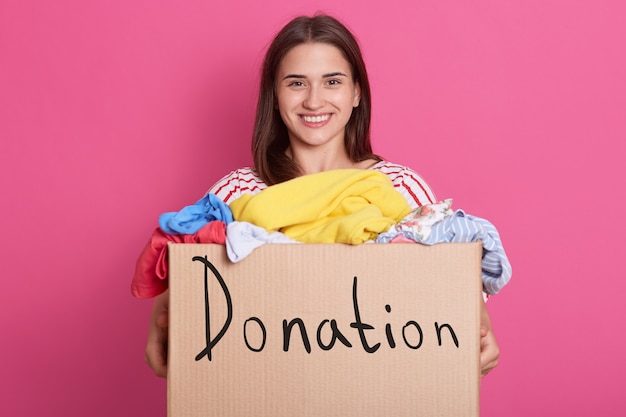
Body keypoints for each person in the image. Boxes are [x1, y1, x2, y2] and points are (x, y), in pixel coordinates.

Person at [143, 13, 499, 378]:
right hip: (269, 387)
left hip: (375, 387)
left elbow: (450, 288)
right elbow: (193, 283)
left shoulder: (401, 187)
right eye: (297, 83)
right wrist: (164, 314)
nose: (314, 101)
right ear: (275, 96)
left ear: (356, 92)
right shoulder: (236, 193)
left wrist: (476, 327)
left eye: (332, 81)